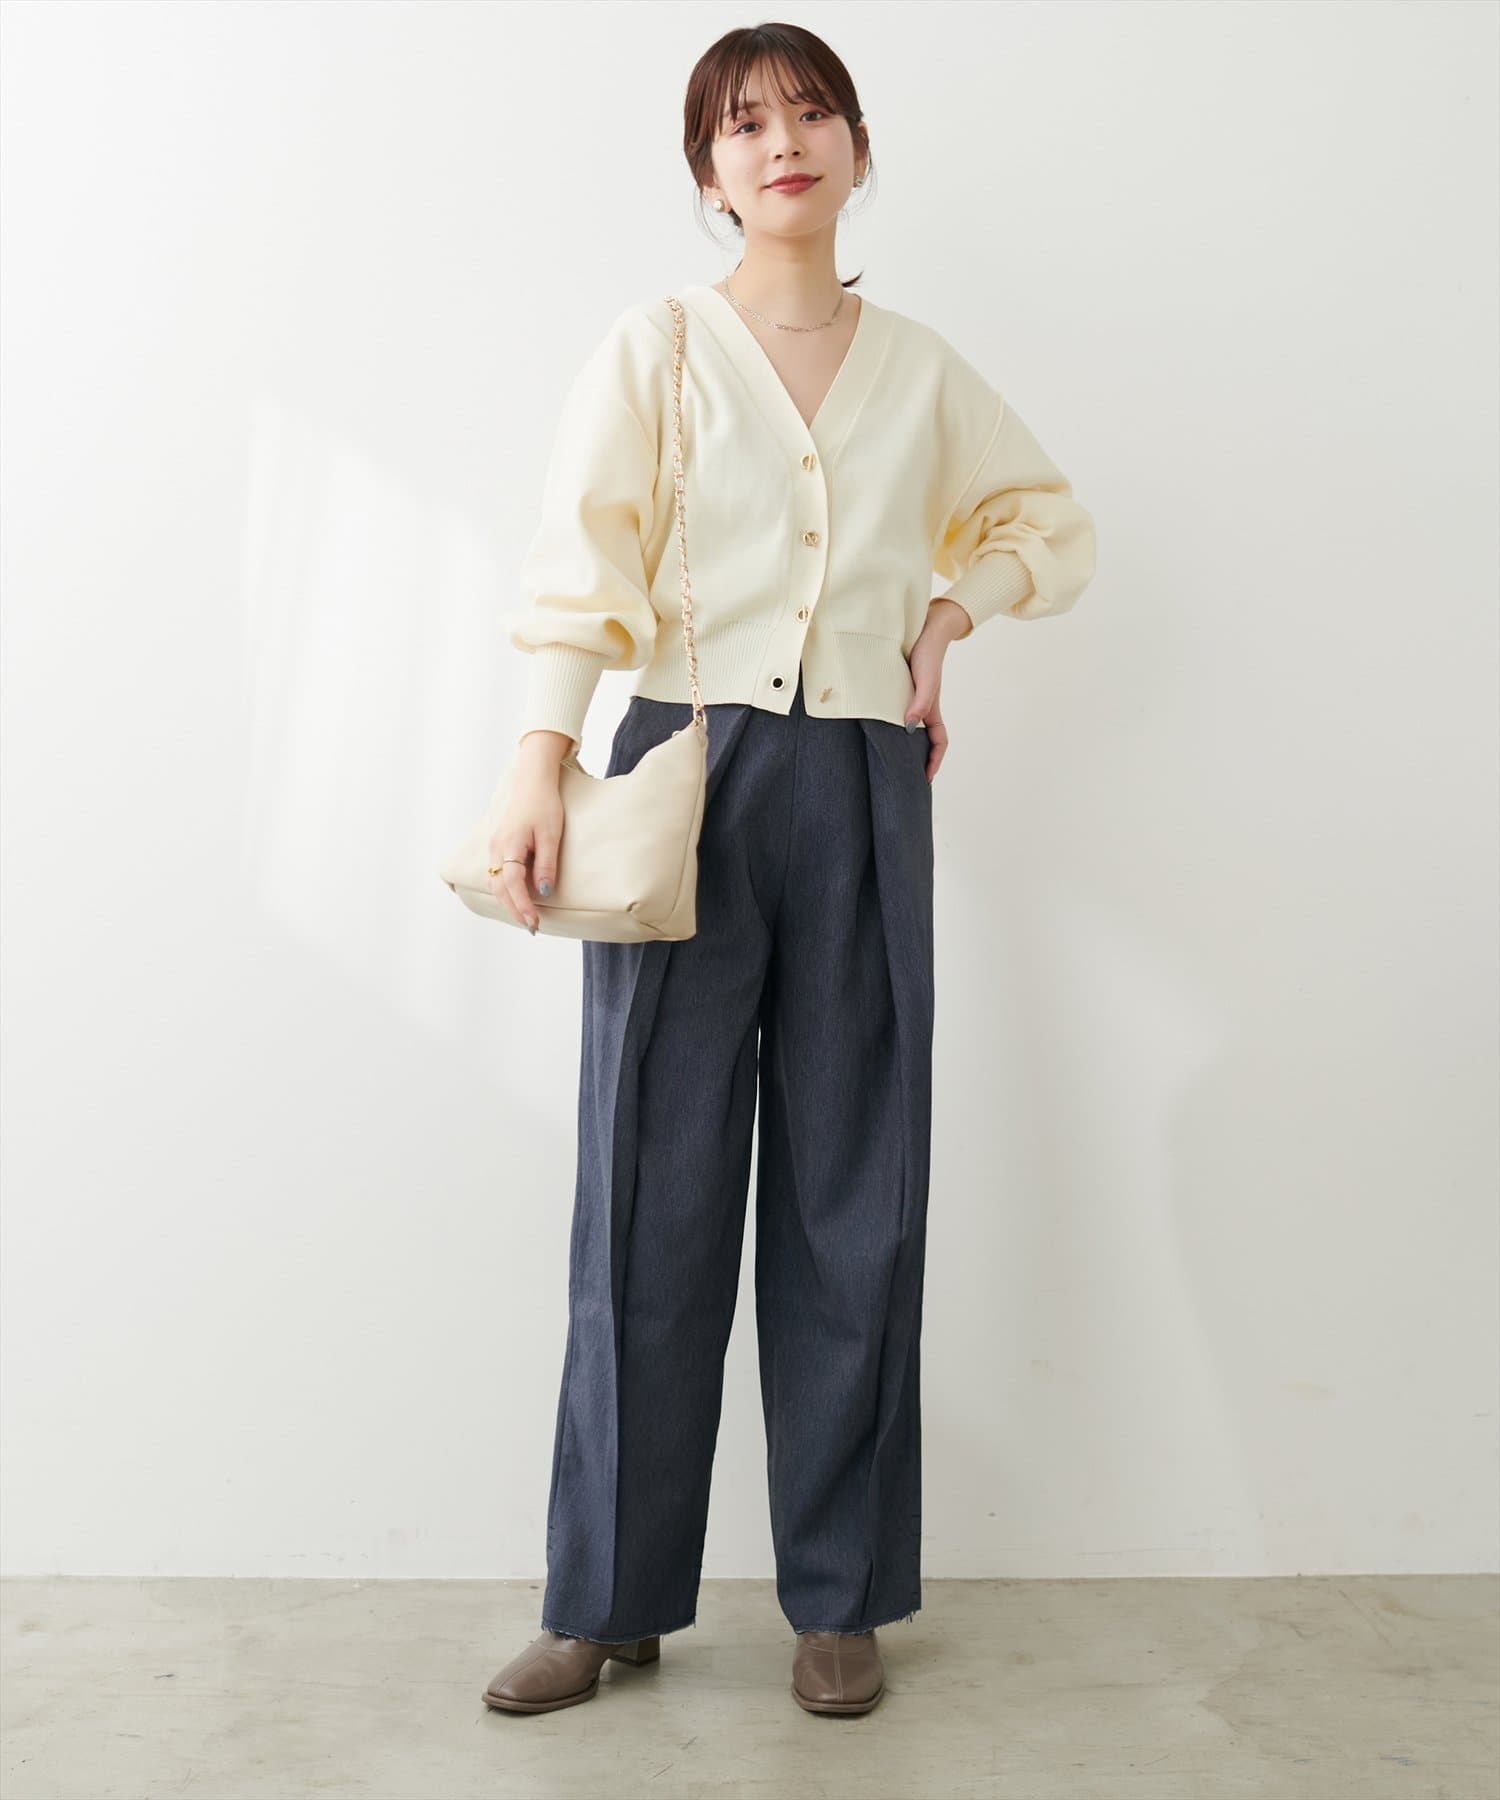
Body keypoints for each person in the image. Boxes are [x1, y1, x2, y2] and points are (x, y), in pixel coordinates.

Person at [481, 22, 1097, 1717]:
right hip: (681, 770)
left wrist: (948, 618)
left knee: (854, 1195)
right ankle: (605, 1598)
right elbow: (582, 564)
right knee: (647, 1187)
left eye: (811, 112)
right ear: (709, 171)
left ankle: (840, 1597)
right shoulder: (659, 348)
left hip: (861, 782)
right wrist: (537, 759)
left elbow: (1049, 524)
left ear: (857, 146)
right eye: (744, 124)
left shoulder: (922, 370)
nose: (783, 143)